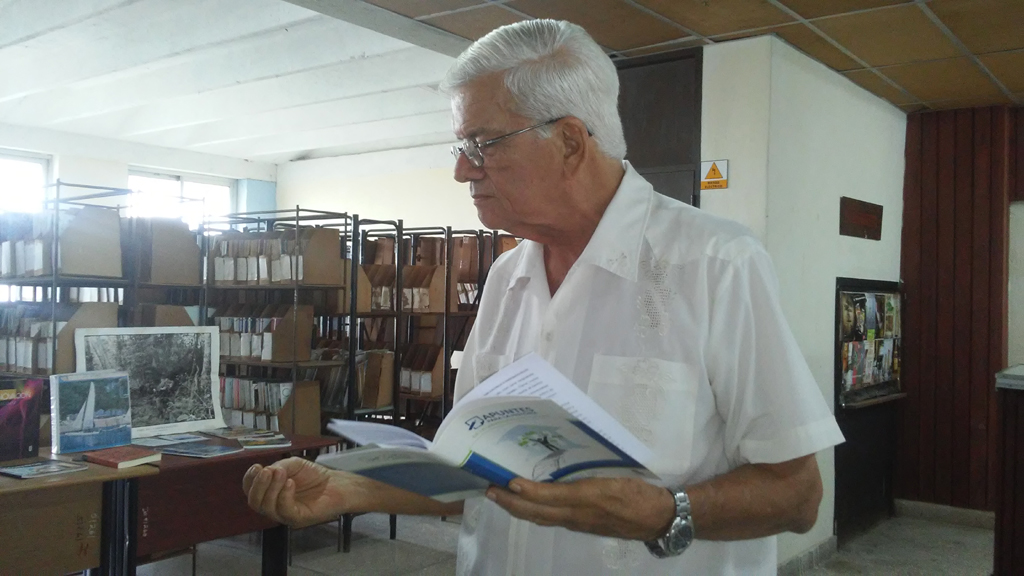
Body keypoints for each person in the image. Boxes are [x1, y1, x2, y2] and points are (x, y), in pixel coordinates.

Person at [243, 19, 844, 575]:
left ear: (571, 142)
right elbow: (481, 472)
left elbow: (797, 496)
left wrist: (666, 511)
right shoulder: (507, 279)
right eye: (459, 146)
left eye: (481, 144)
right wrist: (350, 488)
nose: (461, 171)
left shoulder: (714, 265)